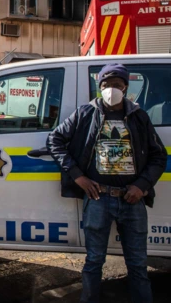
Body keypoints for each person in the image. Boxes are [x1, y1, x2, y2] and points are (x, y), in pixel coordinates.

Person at [47, 63, 166, 303]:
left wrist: (142, 186)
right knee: (93, 263)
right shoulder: (85, 113)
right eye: (106, 84)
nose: (111, 89)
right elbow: (55, 140)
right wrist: (78, 176)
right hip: (98, 198)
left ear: (126, 87)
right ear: (99, 86)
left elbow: (158, 156)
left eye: (117, 85)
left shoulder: (138, 116)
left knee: (138, 265)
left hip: (132, 200)